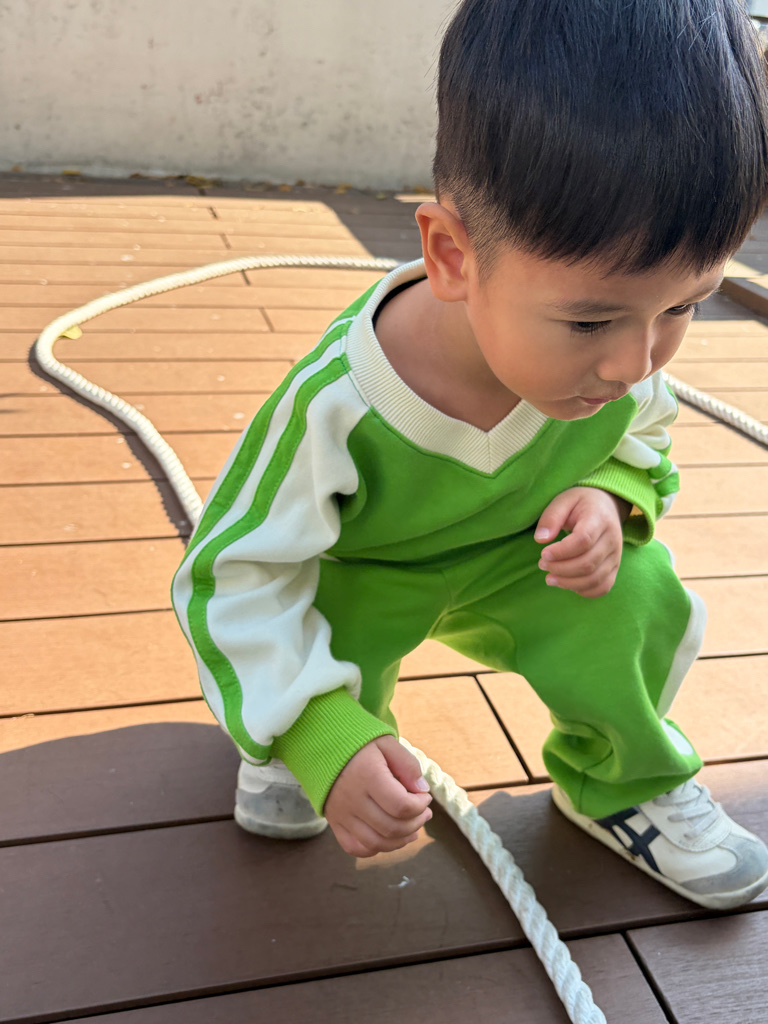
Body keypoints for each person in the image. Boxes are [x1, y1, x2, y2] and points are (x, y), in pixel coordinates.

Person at [172, 0, 768, 910]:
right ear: (452, 254)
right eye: (591, 321)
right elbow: (235, 576)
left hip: (526, 560)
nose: (635, 362)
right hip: (363, 576)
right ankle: (305, 734)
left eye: (685, 305)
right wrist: (322, 734)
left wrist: (611, 495)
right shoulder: (338, 405)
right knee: (314, 634)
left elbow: (643, 435)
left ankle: (620, 779)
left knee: (640, 593)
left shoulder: (625, 357)